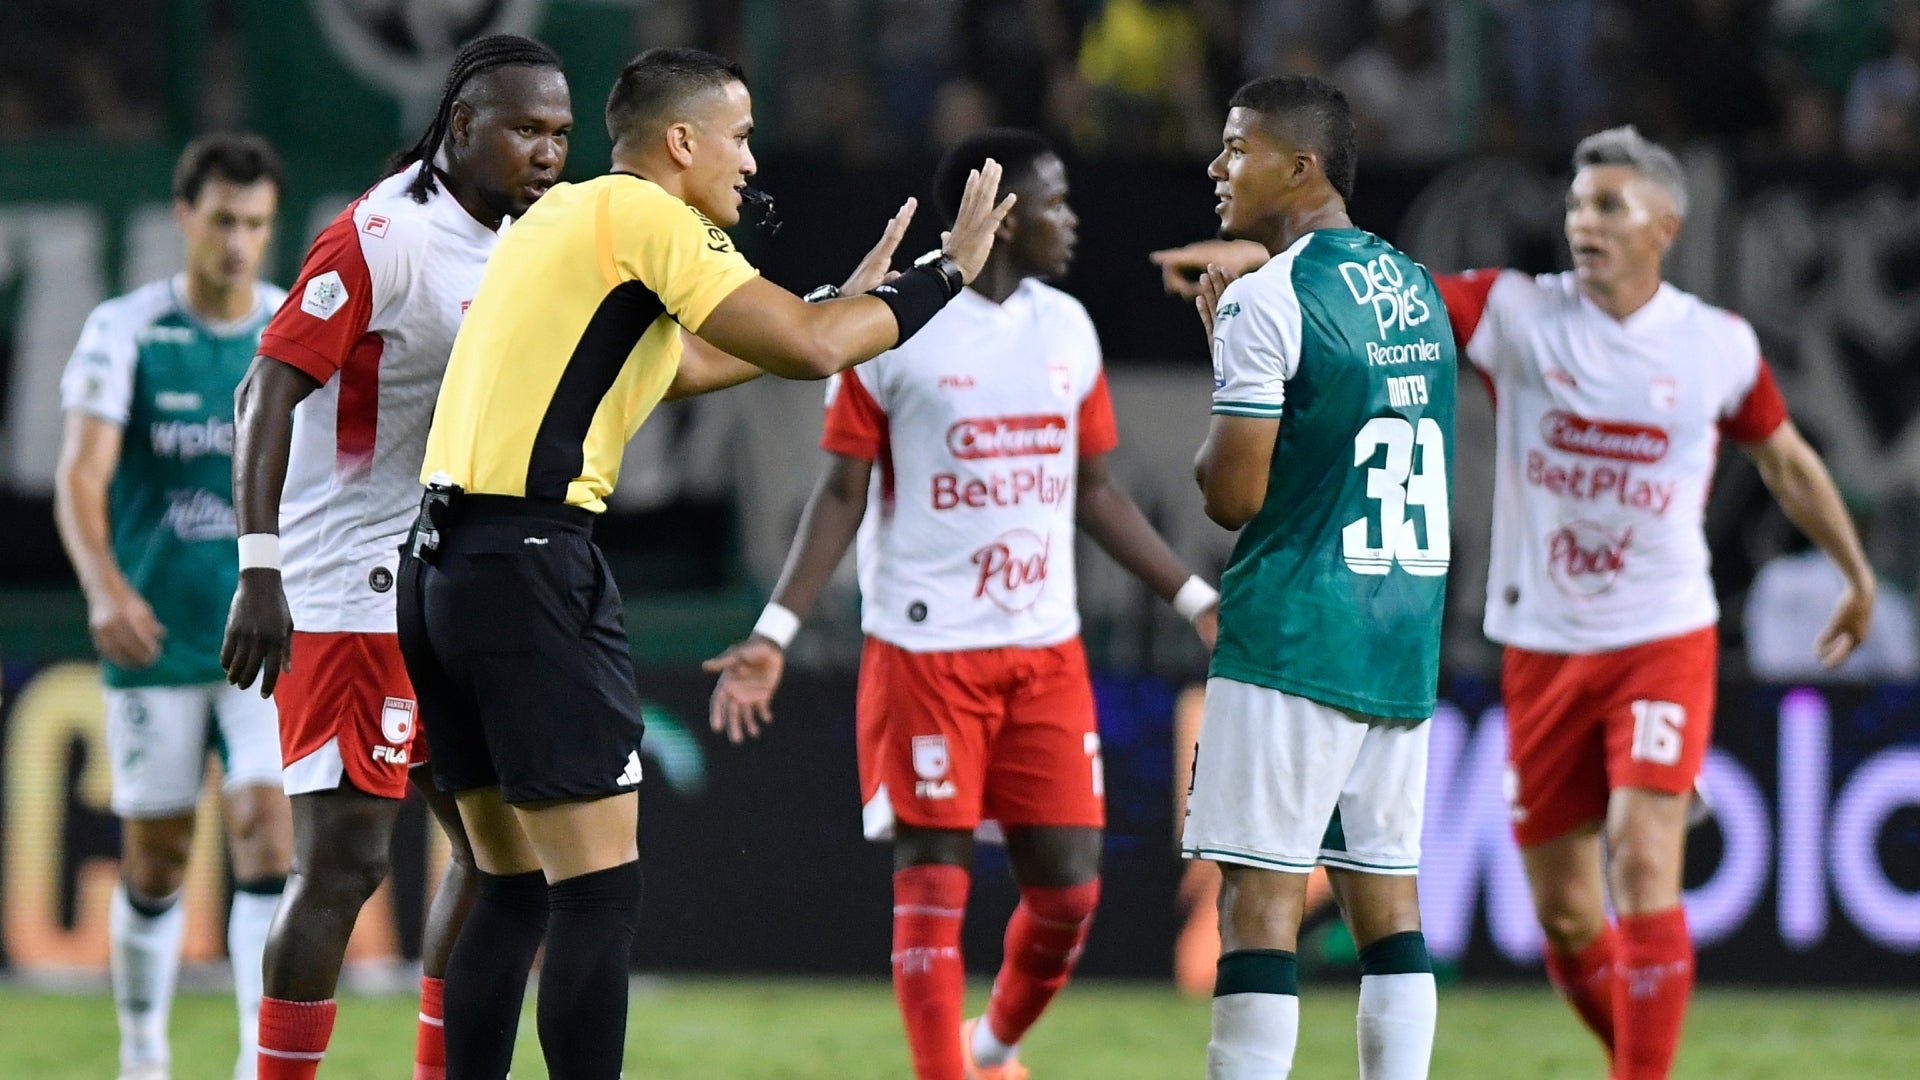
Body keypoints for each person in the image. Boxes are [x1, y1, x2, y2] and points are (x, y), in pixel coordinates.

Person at [1154, 125, 1876, 1080]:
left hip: (1662, 637)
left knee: (1642, 856)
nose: (1584, 223)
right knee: (1567, 914)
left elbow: (1785, 461)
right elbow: (1381, 293)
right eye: (1576, 205)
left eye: (1608, 206)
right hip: (1540, 644)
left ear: (1665, 225)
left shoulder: (1717, 346)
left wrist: (1856, 575)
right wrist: (1263, 265)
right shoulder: (1518, 313)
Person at [394, 46, 1015, 1079]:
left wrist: (833, 307)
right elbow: (809, 348)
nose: (751, 160)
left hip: (443, 567)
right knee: (596, 895)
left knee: (509, 889)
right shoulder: (653, 217)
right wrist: (945, 275)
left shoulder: (563, 215)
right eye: (740, 135)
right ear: (681, 142)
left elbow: (676, 362)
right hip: (533, 566)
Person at [704, 128, 1220, 1080]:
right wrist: (775, 631)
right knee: (932, 894)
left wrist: (1196, 599)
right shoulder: (893, 328)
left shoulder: (1067, 327)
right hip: (925, 655)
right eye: (1056, 203)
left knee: (1069, 894)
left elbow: (1096, 491)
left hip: (1044, 652)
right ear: (1008, 218)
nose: (1073, 221)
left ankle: (989, 1051)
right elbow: (841, 493)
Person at [217, 34, 573, 1080]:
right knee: (345, 866)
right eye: (524, 129)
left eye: (559, 134)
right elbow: (264, 390)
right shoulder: (383, 237)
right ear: (460, 125)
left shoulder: (521, 240)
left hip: (444, 581)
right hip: (350, 588)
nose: (546, 154)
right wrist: (259, 567)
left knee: (500, 857)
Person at [1178, 74, 1454, 1079]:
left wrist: (1225, 364)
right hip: (1399, 631)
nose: (1218, 167)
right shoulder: (1415, 286)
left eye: (1237, 147)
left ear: (1299, 167)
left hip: (1297, 631)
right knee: (1388, 903)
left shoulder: (1268, 296)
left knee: (1257, 903)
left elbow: (1232, 495)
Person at [54, 133, 292, 1080]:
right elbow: (82, 474)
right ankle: (143, 1053)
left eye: (255, 224)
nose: (237, 242)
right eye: (223, 220)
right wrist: (105, 588)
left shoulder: (290, 328)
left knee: (267, 834)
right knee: (157, 855)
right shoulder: (125, 328)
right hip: (153, 631)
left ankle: (255, 1060)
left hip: (262, 635)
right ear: (185, 217)